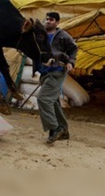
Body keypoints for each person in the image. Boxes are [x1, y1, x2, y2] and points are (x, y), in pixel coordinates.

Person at [37, 12, 78, 144]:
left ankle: (54, 129)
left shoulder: (63, 36)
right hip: (44, 72)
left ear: (57, 22)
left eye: (51, 19)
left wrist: (70, 62)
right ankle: (64, 130)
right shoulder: (41, 35)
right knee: (53, 102)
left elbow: (73, 49)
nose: (48, 21)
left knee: (43, 98)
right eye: (47, 19)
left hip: (58, 71)